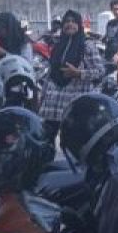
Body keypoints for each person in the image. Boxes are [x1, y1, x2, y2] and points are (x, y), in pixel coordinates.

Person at [39, 10, 105, 139]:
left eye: (74, 22)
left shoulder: (87, 46)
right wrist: (42, 95)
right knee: (46, 139)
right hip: (53, 103)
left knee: (72, 140)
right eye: (67, 21)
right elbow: (50, 72)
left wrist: (79, 73)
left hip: (73, 103)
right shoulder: (58, 46)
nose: (70, 24)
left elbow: (100, 71)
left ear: (79, 25)